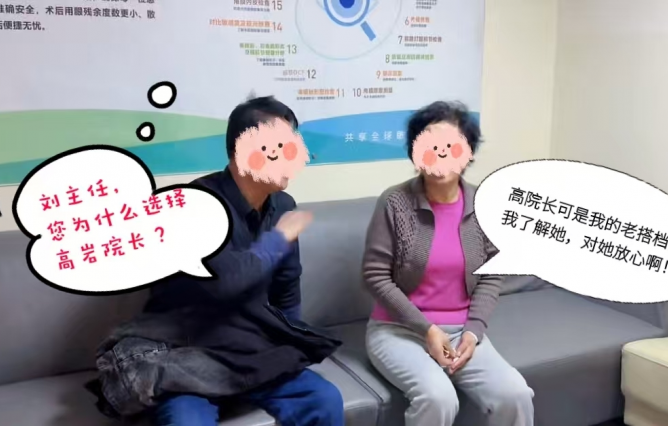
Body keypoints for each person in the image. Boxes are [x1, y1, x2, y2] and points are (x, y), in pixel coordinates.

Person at [89, 96, 344, 426]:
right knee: (186, 422)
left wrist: (289, 348)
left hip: (251, 348)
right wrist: (279, 239)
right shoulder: (194, 206)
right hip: (188, 352)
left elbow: (287, 284)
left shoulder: (282, 206)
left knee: (324, 399)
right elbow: (226, 283)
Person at [362, 101, 534, 426]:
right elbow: (375, 276)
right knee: (438, 397)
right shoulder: (395, 202)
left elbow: (492, 272)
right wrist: (427, 329)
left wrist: (474, 331)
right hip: (398, 330)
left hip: (462, 332)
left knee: (515, 394)